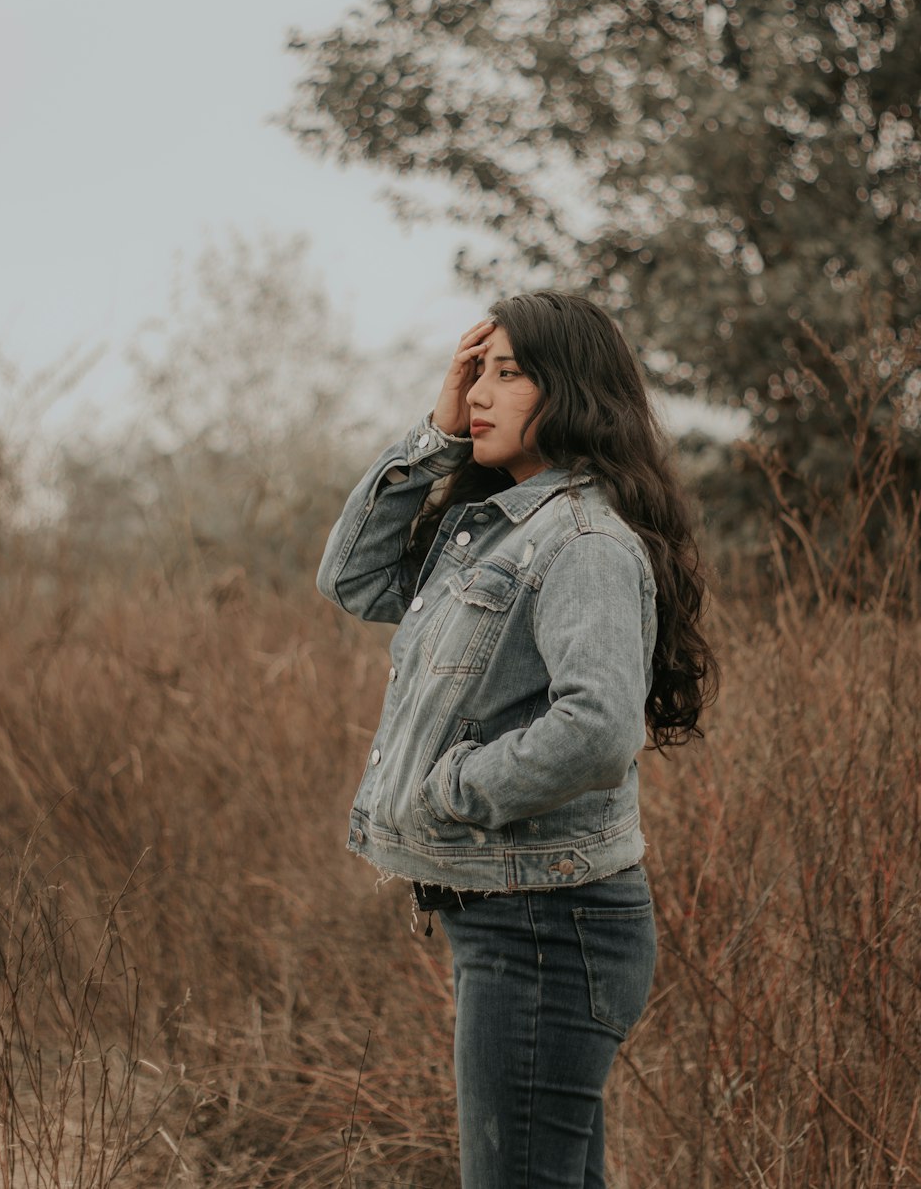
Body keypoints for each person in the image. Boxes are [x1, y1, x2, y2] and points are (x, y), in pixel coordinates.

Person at [317, 291, 718, 1189]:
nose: (481, 393)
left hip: (546, 922)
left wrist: (453, 788)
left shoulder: (581, 541)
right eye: (475, 371)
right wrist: (437, 431)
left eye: (507, 373)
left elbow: (598, 727)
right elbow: (352, 576)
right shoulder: (492, 531)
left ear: (570, 392)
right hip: (517, 916)